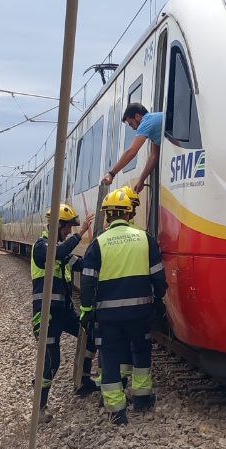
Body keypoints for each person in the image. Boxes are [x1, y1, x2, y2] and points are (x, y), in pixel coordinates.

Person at [79, 190, 167, 425]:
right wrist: (158, 299)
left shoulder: (98, 244)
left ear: (107, 216)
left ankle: (117, 412)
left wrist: (87, 311)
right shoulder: (145, 239)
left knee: (110, 360)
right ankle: (141, 399)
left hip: (108, 317)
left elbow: (87, 283)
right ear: (129, 214)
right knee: (140, 353)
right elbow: (158, 277)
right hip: (140, 313)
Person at [32, 203, 98, 417]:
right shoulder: (41, 247)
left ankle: (83, 381)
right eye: (67, 227)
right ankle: (39, 408)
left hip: (63, 313)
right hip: (46, 315)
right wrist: (79, 235)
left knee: (88, 333)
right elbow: (58, 252)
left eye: (71, 228)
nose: (69, 231)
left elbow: (81, 263)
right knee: (52, 360)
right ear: (56, 225)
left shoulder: (60, 252)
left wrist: (99, 249)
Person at [101, 103, 162, 194]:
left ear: (137, 116)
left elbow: (131, 152)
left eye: (131, 124)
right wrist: (141, 180)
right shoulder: (154, 122)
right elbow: (153, 157)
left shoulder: (146, 122)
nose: (133, 129)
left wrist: (111, 173)